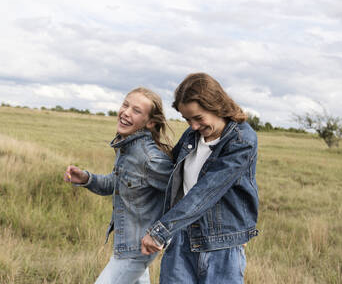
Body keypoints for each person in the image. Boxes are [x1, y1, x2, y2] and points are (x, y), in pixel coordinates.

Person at [141, 73, 259, 284]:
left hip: (221, 246)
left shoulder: (242, 139)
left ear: (216, 106)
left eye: (198, 118)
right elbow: (168, 171)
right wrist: (143, 138)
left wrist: (161, 230)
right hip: (180, 240)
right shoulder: (191, 135)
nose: (193, 126)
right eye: (187, 119)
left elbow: (207, 190)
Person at [64, 87, 174, 284]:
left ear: (150, 123)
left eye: (136, 110)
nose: (126, 112)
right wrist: (87, 179)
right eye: (125, 105)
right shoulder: (128, 149)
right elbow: (117, 184)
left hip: (136, 249)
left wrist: (159, 233)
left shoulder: (150, 158)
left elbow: (182, 194)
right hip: (129, 245)